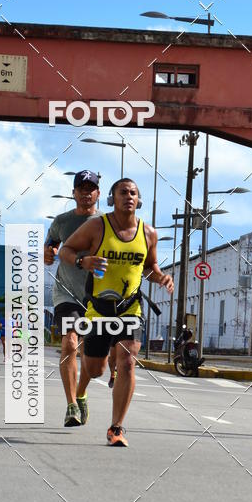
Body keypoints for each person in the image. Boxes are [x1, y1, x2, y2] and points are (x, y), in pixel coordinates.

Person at [59, 177, 174, 446]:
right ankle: (81, 393)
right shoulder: (97, 226)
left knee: (126, 361)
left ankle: (117, 428)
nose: (129, 197)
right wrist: (82, 260)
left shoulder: (149, 233)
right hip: (99, 309)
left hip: (130, 307)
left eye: (133, 193)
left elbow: (150, 267)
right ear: (112, 199)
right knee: (96, 368)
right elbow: (66, 250)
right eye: (123, 192)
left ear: (139, 199)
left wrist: (162, 277)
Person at [44, 170, 101, 426]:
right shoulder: (62, 221)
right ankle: (71, 406)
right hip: (65, 292)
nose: (86, 192)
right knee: (69, 343)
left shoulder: (107, 222)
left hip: (97, 295)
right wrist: (48, 253)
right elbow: (51, 244)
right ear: (74, 192)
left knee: (93, 356)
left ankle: (81, 393)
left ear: (98, 194)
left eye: (92, 188)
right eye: (82, 188)